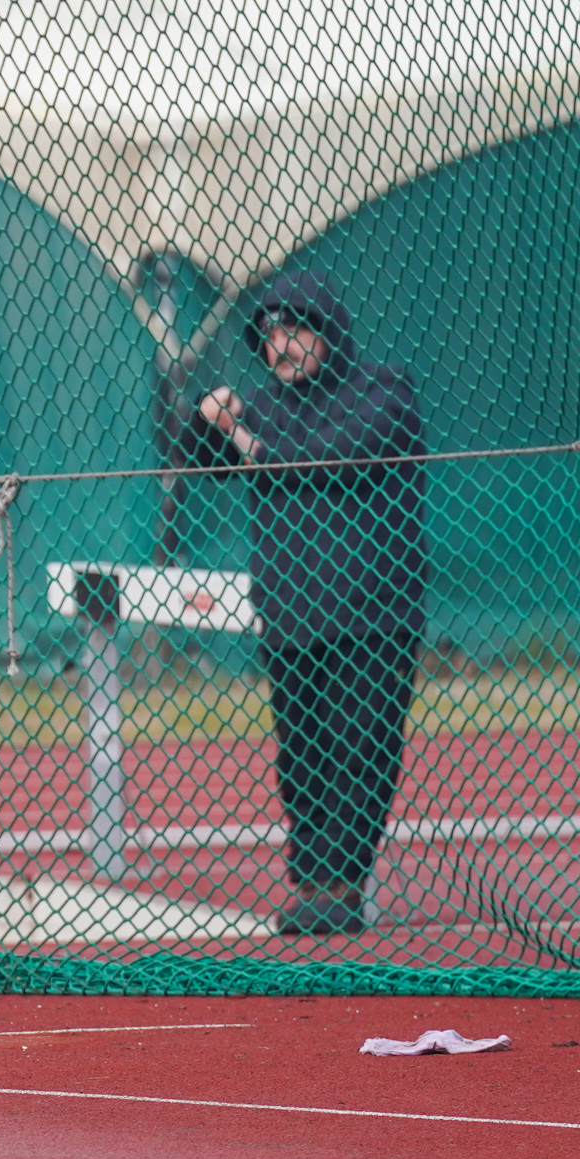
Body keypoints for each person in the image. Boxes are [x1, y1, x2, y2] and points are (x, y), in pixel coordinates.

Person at [177, 269, 427, 936]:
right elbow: (192, 456)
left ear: (327, 332)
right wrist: (207, 414)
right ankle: (314, 881)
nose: (280, 346)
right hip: (291, 617)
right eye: (268, 336)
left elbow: (323, 457)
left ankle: (342, 885)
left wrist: (244, 440)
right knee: (302, 757)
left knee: (360, 749)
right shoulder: (265, 405)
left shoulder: (383, 391)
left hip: (373, 616)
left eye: (294, 331)